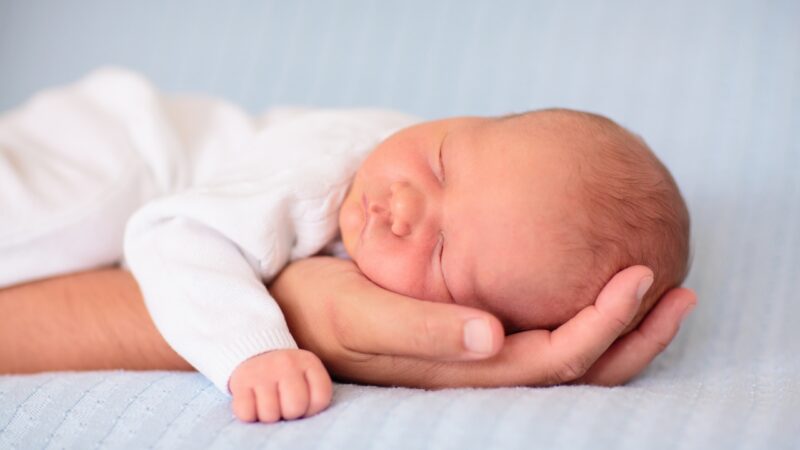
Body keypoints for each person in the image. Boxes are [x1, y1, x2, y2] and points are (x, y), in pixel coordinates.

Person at [0, 68, 696, 423]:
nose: (404, 205)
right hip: (118, 153)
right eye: (442, 161)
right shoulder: (319, 176)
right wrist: (256, 349)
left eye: (442, 253)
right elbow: (173, 236)